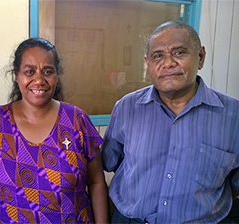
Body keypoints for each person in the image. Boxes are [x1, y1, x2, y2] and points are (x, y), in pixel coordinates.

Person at [101, 20, 239, 223]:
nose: (167, 63)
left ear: (200, 57)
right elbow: (112, 161)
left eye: (179, 53)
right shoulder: (127, 107)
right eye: (158, 56)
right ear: (148, 63)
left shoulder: (233, 116)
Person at [0, 38, 110, 224]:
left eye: (47, 71)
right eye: (29, 71)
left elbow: (96, 182)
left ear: (56, 76)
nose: (39, 80)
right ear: (17, 75)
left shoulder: (77, 121)